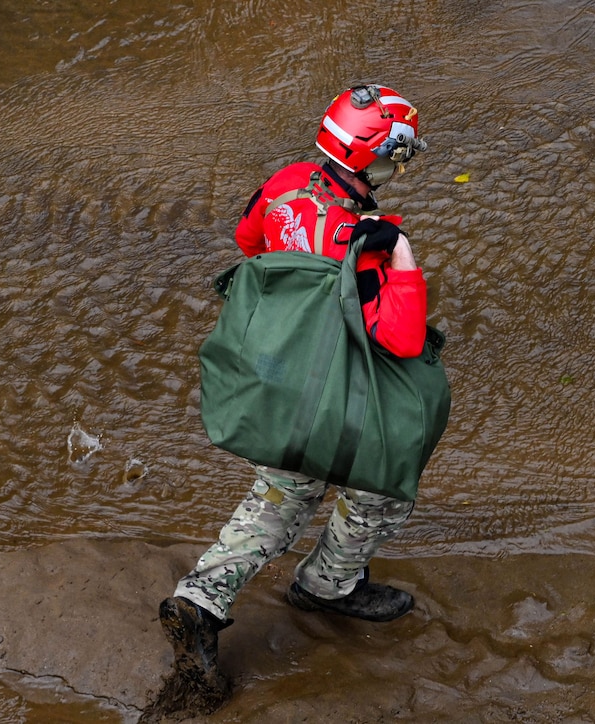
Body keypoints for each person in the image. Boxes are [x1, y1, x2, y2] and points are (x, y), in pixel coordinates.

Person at [157, 84, 430, 707]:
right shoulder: (374, 238)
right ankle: (329, 584)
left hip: (275, 368)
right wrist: (404, 258)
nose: (399, 167)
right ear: (374, 157)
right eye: (397, 156)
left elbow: (249, 242)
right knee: (381, 485)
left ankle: (202, 597)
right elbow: (404, 337)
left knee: (282, 487)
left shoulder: (286, 181)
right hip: (331, 385)